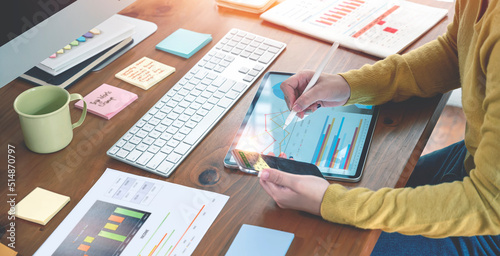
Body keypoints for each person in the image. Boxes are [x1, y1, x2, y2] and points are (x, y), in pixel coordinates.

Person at [258, 0, 500, 254]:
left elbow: (488, 202)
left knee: (326, 244)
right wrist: (350, 85)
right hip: (477, 164)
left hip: (487, 216)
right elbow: (455, 50)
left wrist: (331, 203)